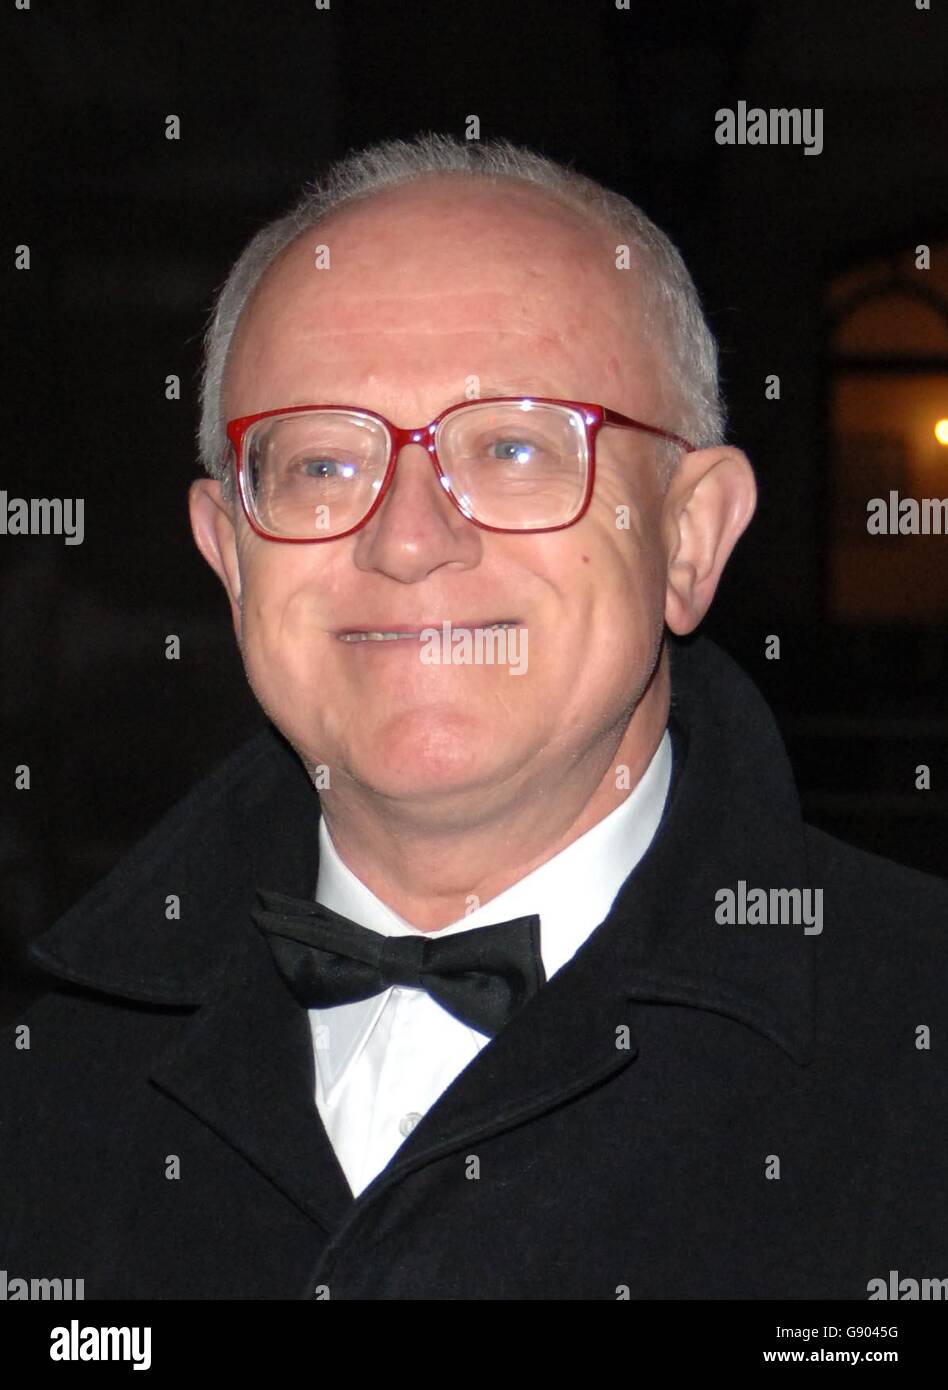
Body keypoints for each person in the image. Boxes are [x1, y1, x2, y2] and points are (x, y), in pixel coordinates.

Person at [3, 134, 947, 1301]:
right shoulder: (42, 1086)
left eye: (511, 447)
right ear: (231, 556)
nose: (406, 540)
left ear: (690, 539)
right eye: (320, 465)